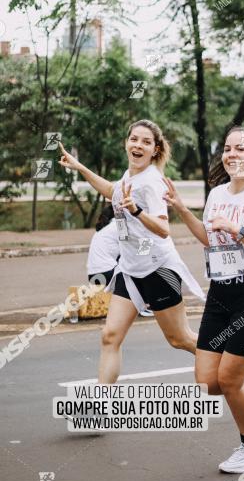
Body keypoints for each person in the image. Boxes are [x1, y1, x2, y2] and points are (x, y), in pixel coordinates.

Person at [163, 125, 244, 474]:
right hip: (220, 296)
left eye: (241, 149)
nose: (232, 155)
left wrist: (238, 230)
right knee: (209, 383)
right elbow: (209, 240)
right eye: (227, 149)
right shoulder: (217, 194)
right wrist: (181, 209)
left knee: (230, 381)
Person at [58, 120, 204, 384]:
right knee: (110, 336)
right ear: (127, 142)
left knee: (179, 339)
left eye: (146, 142)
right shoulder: (130, 177)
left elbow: (163, 228)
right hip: (130, 269)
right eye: (134, 139)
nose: (138, 145)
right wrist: (80, 168)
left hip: (158, 268)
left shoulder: (152, 182)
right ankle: (101, 407)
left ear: (155, 150)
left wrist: (136, 211)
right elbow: (112, 191)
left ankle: (233, 368)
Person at [87, 203, 153, 317]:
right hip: (107, 273)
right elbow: (140, 249)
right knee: (142, 268)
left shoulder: (105, 228)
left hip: (94, 276)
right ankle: (143, 306)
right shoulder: (119, 225)